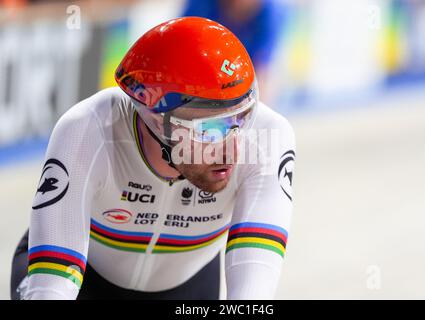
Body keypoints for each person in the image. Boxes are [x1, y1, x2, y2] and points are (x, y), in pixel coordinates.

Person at [10, 17, 296, 300]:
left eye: (242, 118)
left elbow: (253, 295)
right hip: (84, 278)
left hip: (185, 286)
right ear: (157, 120)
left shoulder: (268, 136)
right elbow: (52, 288)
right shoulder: (87, 130)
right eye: (211, 130)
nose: (231, 150)